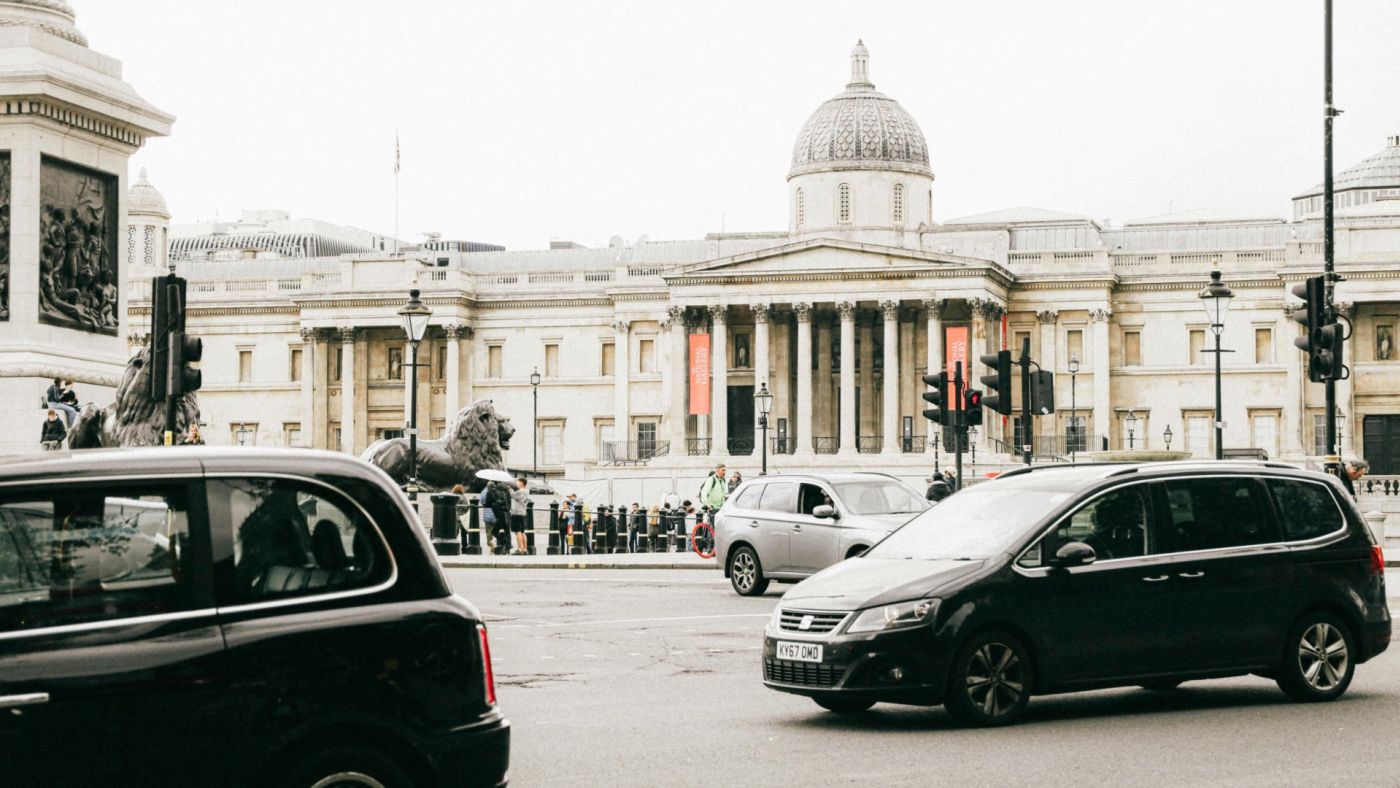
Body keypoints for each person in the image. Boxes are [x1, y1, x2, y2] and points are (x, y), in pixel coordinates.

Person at [509, 477, 530, 555]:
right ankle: (525, 549)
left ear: (521, 483)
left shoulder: (521, 491)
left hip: (517, 513)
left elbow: (513, 495)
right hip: (522, 513)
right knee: (522, 532)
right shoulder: (526, 491)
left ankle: (520, 549)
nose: (516, 483)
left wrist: (510, 489)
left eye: (518, 482)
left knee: (517, 531)